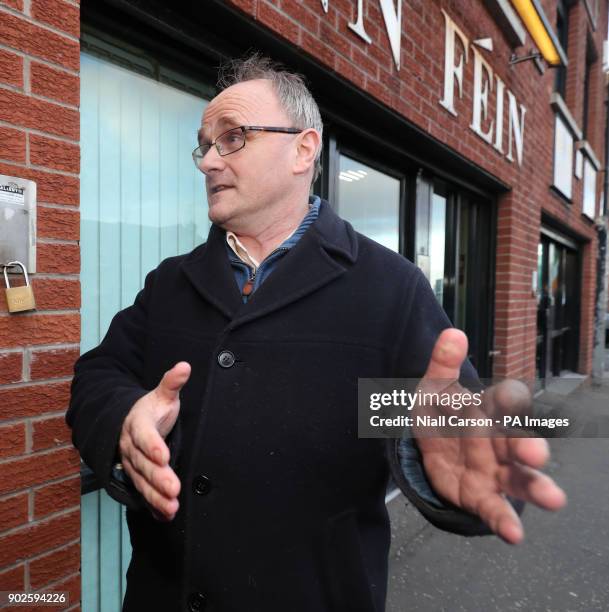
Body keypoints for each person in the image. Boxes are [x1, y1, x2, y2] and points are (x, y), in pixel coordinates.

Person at [67, 54, 566, 612]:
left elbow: (447, 426)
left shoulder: (389, 288)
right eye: (204, 144)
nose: (208, 161)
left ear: (304, 149)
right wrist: (124, 421)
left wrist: (435, 460)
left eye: (232, 138)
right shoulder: (170, 283)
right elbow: (99, 373)